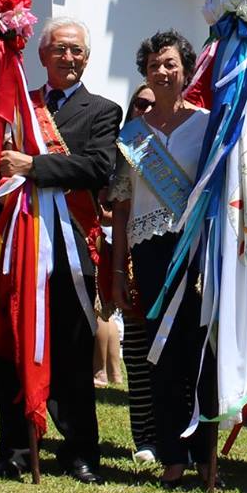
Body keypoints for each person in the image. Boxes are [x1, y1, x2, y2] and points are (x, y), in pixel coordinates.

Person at [0, 17, 120, 484]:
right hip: (20, 244)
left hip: (73, 250)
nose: (69, 58)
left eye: (77, 51)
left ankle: (80, 450)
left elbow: (98, 167)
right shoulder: (19, 105)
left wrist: (35, 165)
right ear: (42, 55)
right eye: (60, 50)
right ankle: (16, 446)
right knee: (13, 348)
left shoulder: (102, 110)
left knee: (71, 352)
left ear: (87, 58)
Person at [108, 30, 212, 488]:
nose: (163, 72)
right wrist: (116, 269)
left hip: (198, 250)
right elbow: (122, 205)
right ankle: (173, 453)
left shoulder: (209, 125)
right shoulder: (132, 137)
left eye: (170, 63)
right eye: (153, 66)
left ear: (186, 68)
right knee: (161, 352)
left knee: (200, 350)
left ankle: (204, 452)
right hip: (149, 251)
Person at [107, 84, 158, 463]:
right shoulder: (126, 148)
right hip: (131, 262)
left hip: (172, 262)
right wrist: (117, 270)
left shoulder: (181, 142)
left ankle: (173, 436)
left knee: (171, 353)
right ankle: (144, 437)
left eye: (152, 104)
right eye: (139, 103)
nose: (145, 109)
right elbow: (118, 210)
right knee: (137, 353)